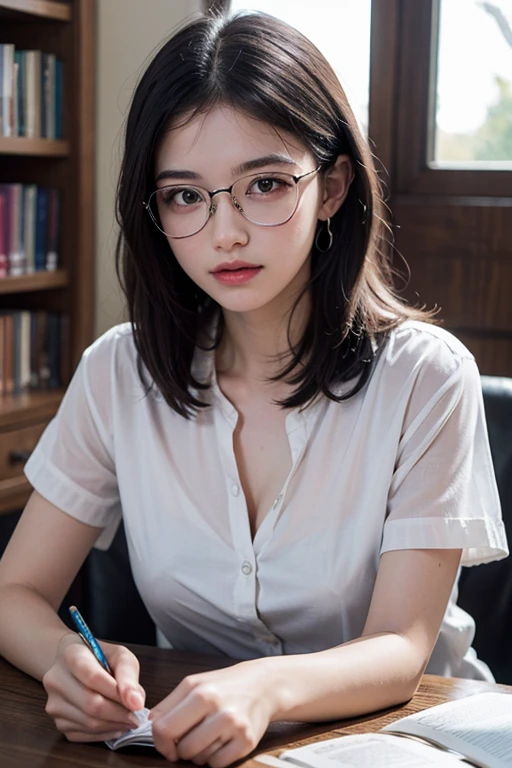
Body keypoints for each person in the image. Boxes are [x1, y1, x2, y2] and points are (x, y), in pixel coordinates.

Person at [0, 9, 508, 767]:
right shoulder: (117, 372)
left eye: (264, 185)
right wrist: (68, 666)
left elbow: (401, 646)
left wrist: (265, 689)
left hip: (416, 740)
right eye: (184, 195)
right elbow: (14, 594)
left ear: (332, 186)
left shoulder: (426, 377)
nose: (225, 232)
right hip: (196, 744)